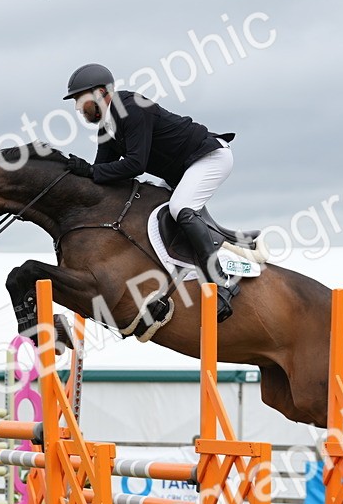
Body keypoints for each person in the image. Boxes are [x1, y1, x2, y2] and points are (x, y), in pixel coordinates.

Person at [63, 63, 238, 321]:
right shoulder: (107, 128)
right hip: (181, 172)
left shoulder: (132, 108)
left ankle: (221, 282)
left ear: (101, 92)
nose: (79, 108)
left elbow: (136, 164)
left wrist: (90, 172)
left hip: (209, 157)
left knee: (180, 208)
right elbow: (101, 173)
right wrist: (79, 175)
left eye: (81, 99)